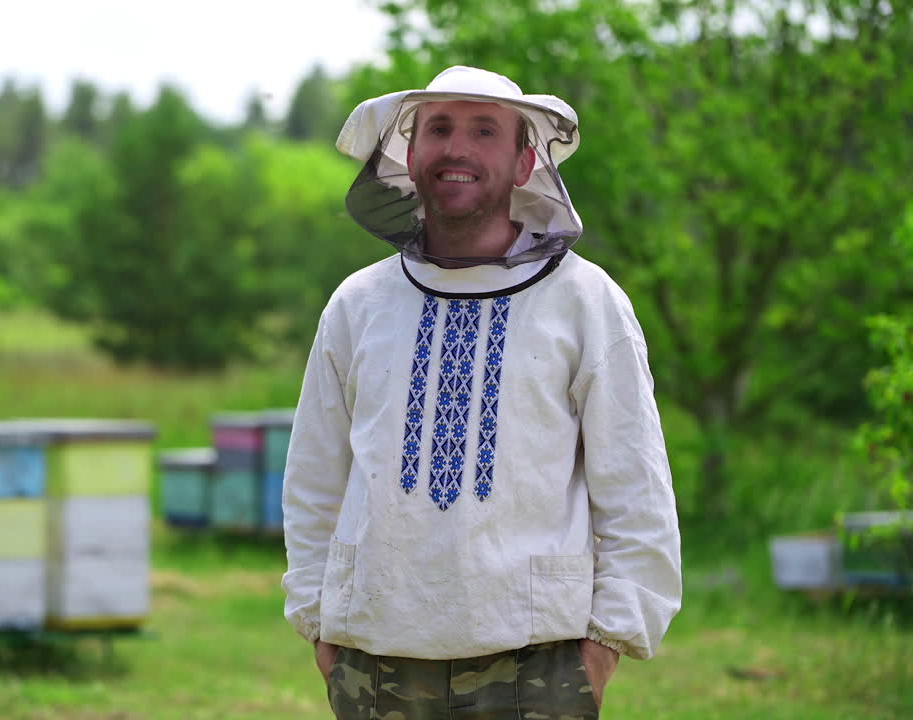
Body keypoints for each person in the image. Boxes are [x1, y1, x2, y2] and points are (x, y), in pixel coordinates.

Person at [280, 65, 683, 719]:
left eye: (483, 131)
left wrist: (603, 649)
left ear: (526, 161)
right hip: (374, 660)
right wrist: (320, 626)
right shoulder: (357, 305)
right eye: (438, 128)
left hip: (538, 665)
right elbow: (313, 483)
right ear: (409, 156)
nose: (456, 150)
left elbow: (636, 494)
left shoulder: (585, 302)